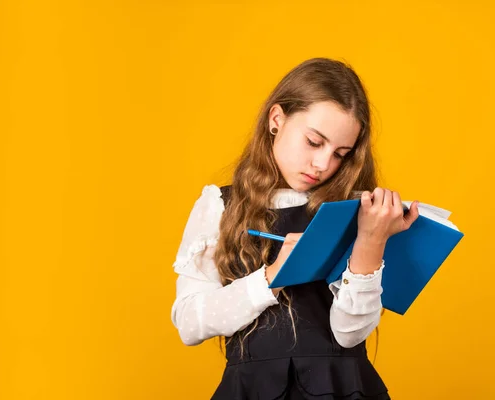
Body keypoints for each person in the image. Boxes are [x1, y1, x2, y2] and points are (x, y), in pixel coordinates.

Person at [170, 57, 420, 399]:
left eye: (340, 154)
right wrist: (270, 277)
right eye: (314, 142)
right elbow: (188, 322)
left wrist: (370, 243)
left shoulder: (357, 212)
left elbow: (349, 334)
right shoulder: (219, 205)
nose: (323, 165)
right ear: (277, 119)